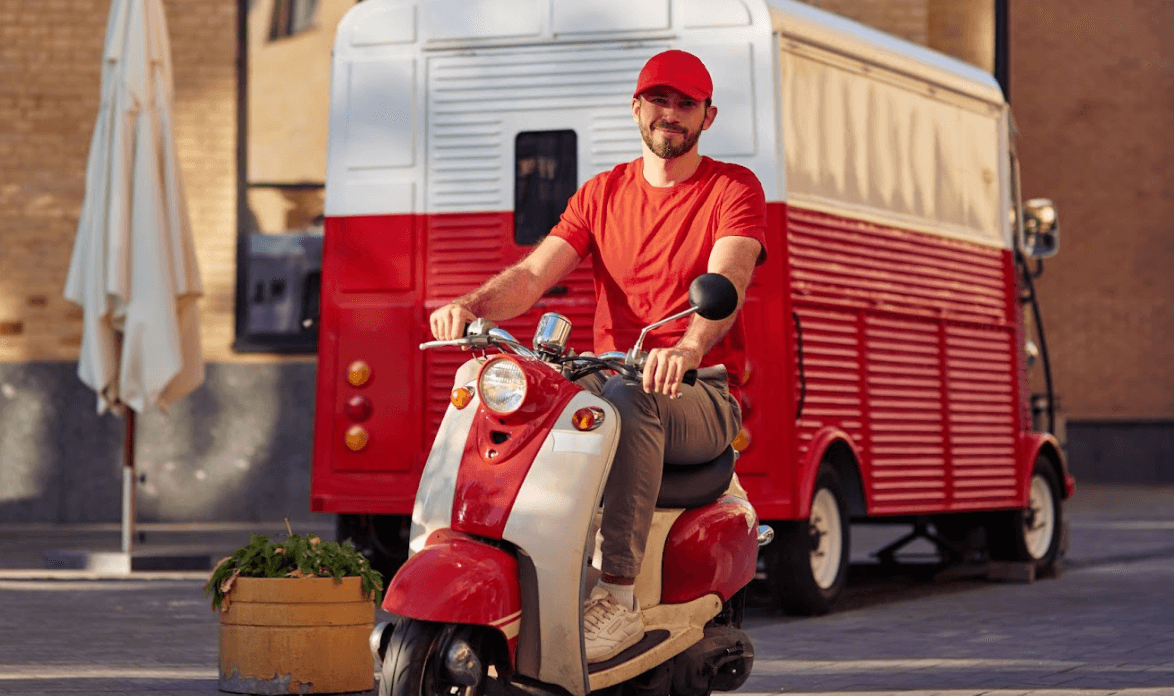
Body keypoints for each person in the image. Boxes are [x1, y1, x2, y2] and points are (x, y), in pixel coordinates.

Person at [428, 49, 768, 664]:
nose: (671, 114)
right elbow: (533, 274)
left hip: (699, 392)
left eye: (685, 104)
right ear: (637, 106)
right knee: (528, 401)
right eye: (659, 100)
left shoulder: (732, 188)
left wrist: (686, 349)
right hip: (607, 383)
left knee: (630, 396)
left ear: (707, 116)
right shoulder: (602, 192)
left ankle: (616, 597)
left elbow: (729, 281)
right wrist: (472, 307)